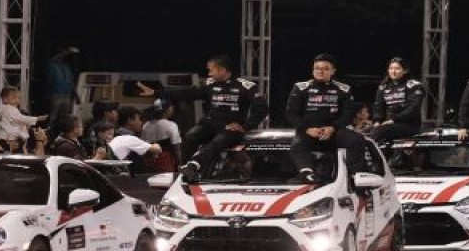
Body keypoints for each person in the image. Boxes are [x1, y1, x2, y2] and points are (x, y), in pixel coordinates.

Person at [137, 55, 269, 183]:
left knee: (218, 142)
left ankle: (194, 166)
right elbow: (187, 93)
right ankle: (186, 171)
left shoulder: (246, 86)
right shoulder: (210, 84)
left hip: (231, 128)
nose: (209, 73)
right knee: (190, 136)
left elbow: (262, 108)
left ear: (222, 70)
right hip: (210, 124)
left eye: (211, 70)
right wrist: (156, 93)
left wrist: (246, 126)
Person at [285, 53, 365, 183]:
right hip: (308, 131)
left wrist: (332, 128)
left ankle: (355, 175)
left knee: (356, 139)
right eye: (317, 68)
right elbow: (291, 113)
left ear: (333, 71)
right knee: (297, 145)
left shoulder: (343, 89)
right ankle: (307, 173)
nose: (320, 71)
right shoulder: (300, 88)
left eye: (325, 69)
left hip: (334, 131)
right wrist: (307, 129)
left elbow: (348, 115)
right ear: (313, 70)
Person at [372, 57, 425, 142]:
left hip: (409, 125)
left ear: (405, 71)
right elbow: (378, 105)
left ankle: (371, 150)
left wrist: (394, 119)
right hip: (389, 123)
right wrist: (377, 121)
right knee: (364, 132)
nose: (393, 71)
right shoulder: (383, 86)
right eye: (391, 68)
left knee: (379, 131)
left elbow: (413, 108)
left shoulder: (414, 85)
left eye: (397, 68)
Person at [0, 85, 48, 153]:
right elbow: (21, 118)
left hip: (5, 138)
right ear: (5, 99)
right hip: (9, 139)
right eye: (14, 98)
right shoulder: (9, 110)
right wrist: (38, 118)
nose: (17, 101)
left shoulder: (2, 109)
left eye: (18, 98)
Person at [140, 104, 182, 172]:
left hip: (150, 162)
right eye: (171, 108)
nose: (173, 110)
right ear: (166, 110)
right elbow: (176, 147)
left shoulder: (146, 125)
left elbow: (143, 146)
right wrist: (179, 163)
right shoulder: (171, 125)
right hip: (165, 161)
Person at [46, 46, 80, 126]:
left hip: (66, 95)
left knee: (64, 117)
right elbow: (48, 81)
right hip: (56, 94)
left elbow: (71, 82)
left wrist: (76, 95)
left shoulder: (66, 67)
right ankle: (49, 131)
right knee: (53, 117)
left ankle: (61, 131)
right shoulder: (52, 65)